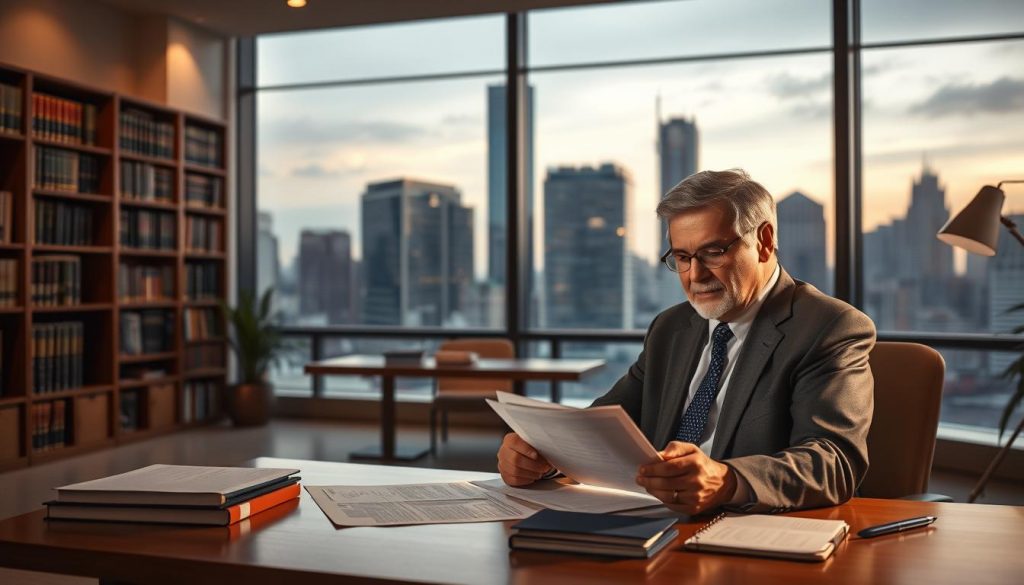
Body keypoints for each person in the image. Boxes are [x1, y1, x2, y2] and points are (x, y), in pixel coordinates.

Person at [497, 169, 875, 515]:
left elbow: (834, 463)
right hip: (648, 520)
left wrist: (726, 480)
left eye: (713, 252)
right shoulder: (671, 327)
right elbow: (599, 429)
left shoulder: (829, 327)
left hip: (747, 532)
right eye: (681, 256)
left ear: (763, 241)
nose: (695, 275)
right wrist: (541, 457)